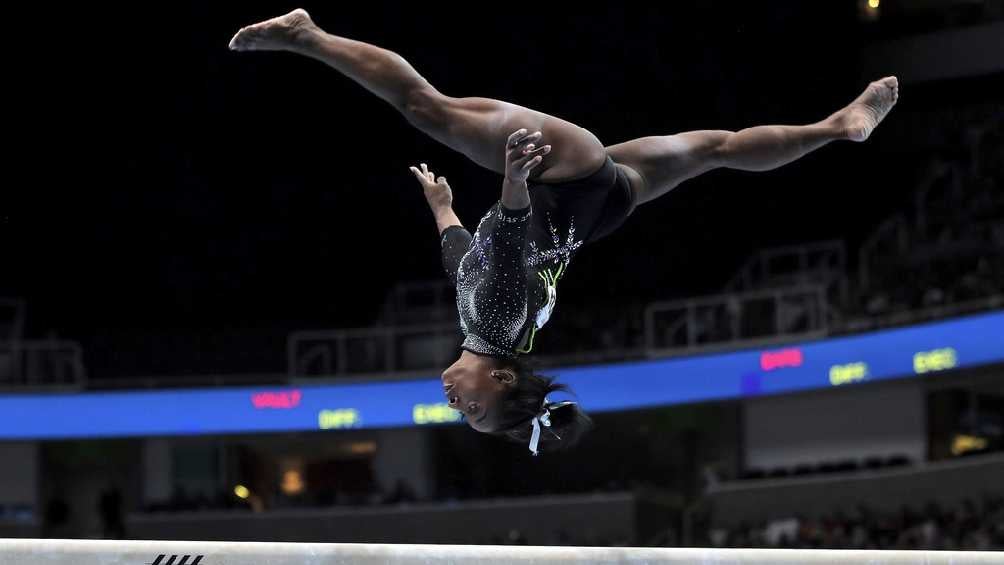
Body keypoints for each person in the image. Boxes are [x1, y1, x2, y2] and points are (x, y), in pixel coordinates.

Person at [229, 9, 898, 454]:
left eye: (462, 414)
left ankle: (839, 126)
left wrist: (441, 207)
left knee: (716, 149)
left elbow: (464, 259)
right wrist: (515, 180)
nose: (456, 402)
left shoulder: (490, 327)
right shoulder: (498, 319)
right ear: (502, 384)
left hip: (598, 210)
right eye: (474, 410)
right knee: (424, 106)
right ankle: (307, 34)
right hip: (563, 178)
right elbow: (511, 243)